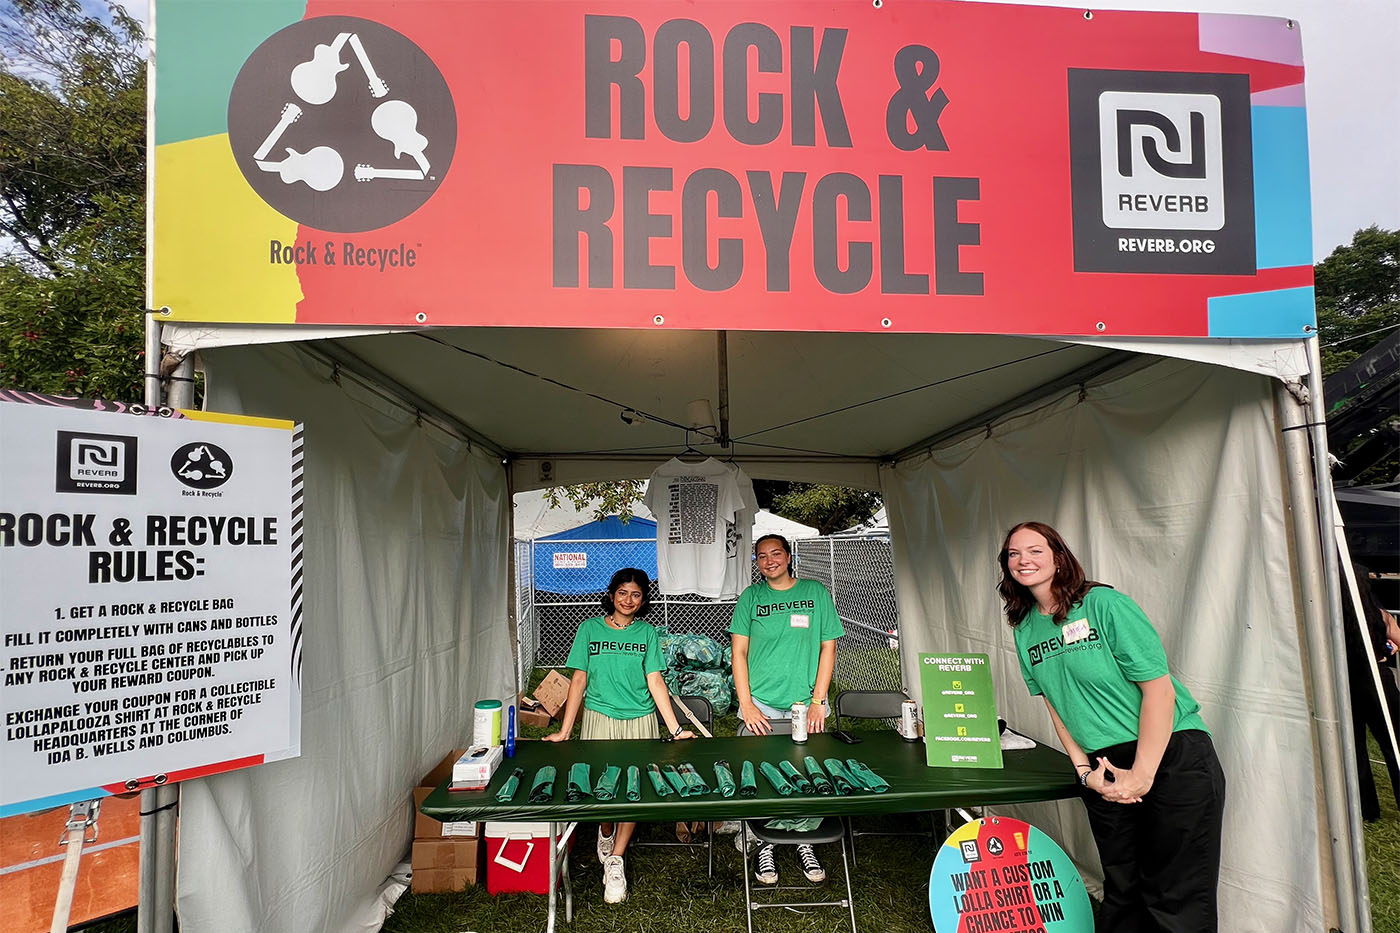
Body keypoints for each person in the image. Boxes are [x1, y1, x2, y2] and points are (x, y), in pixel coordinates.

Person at [998, 521, 1225, 933]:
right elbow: (1057, 705)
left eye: (1034, 550)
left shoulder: (1103, 604)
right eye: (1014, 554)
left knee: (1175, 896)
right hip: (1103, 765)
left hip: (1170, 754)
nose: (1023, 560)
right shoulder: (1025, 627)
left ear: (1058, 556)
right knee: (1123, 888)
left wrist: (1142, 773)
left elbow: (1159, 691)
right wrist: (1084, 772)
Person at [544, 568, 695, 904]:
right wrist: (566, 731)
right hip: (599, 717)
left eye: (636, 594)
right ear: (611, 594)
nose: (629, 600)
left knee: (632, 789)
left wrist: (675, 729)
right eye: (623, 592)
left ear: (644, 600)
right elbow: (579, 681)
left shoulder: (647, 633)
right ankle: (606, 828)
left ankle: (616, 860)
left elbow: (656, 681)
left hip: (640, 720)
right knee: (603, 787)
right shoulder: (589, 629)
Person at [729, 533, 844, 887]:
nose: (769, 561)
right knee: (762, 771)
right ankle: (765, 839)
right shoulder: (751, 598)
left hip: (805, 703)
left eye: (775, 553)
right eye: (761, 556)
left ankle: (804, 838)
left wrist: (817, 701)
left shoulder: (815, 594)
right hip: (761, 704)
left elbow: (828, 648)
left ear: (789, 556)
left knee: (810, 770)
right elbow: (739, 654)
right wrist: (746, 704)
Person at [1342, 562, 1400, 821]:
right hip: (1376, 679)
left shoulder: (1330, 615)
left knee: (1355, 748)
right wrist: (1387, 649)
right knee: (1394, 743)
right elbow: (1397, 640)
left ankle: (1366, 810)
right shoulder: (1376, 613)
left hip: (1345, 683)